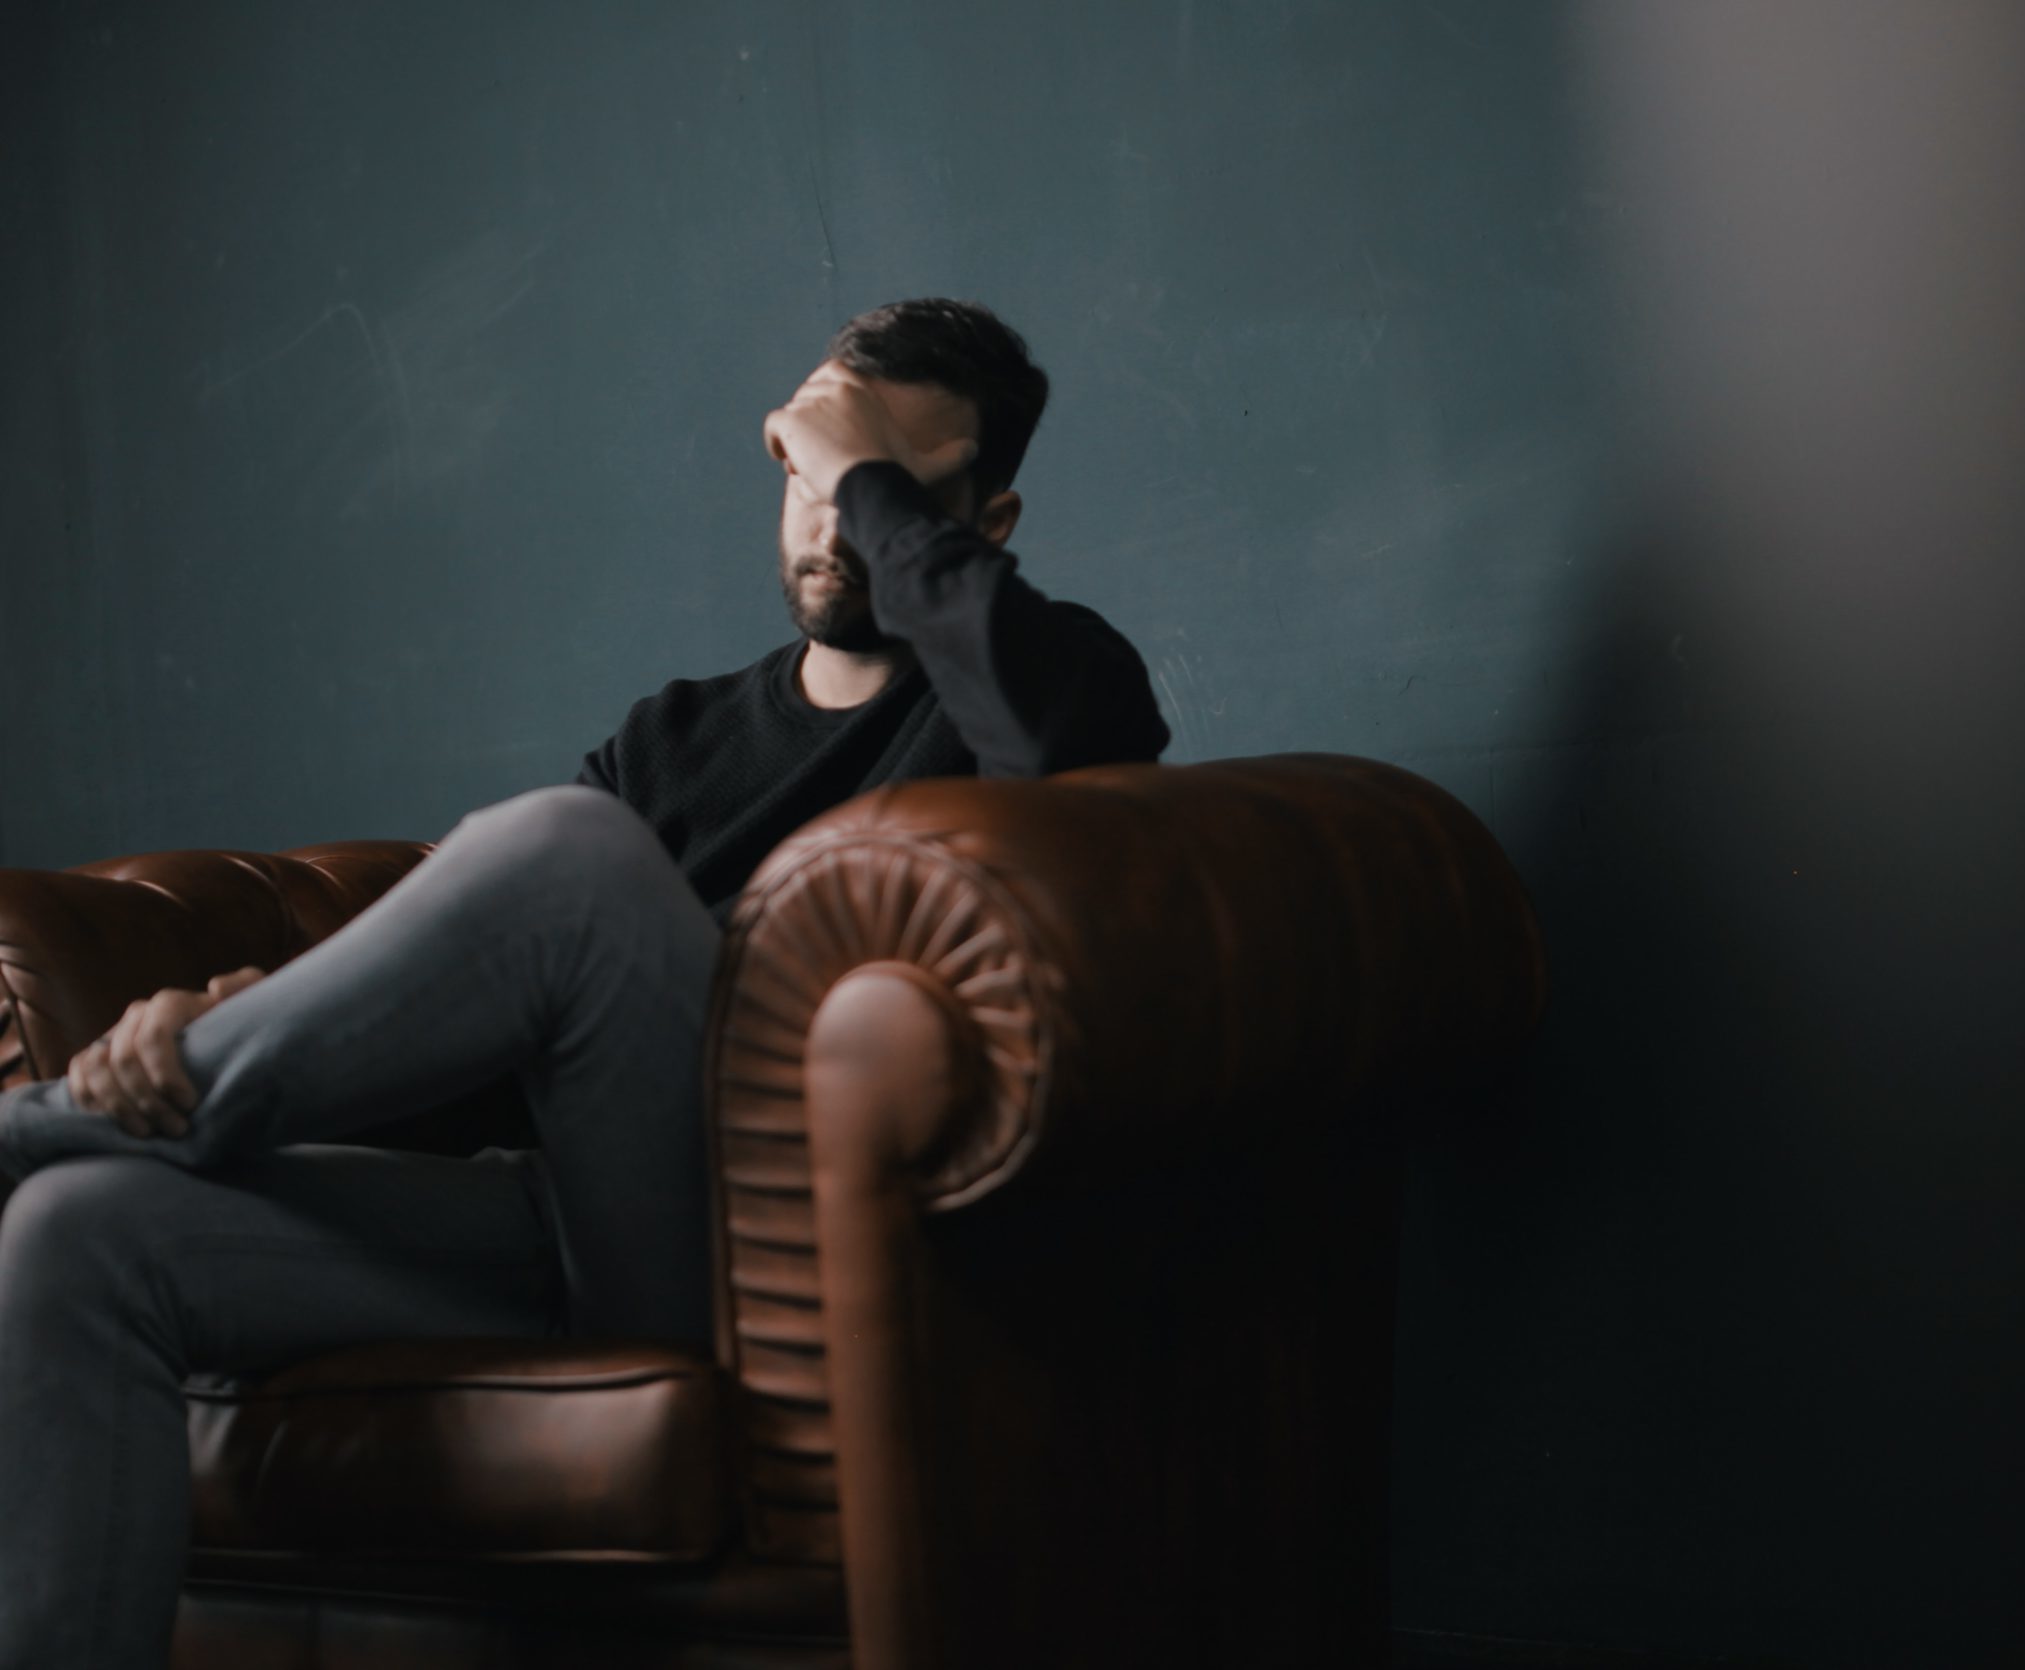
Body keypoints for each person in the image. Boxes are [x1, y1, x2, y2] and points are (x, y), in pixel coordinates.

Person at [0, 297, 1168, 1666]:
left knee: (567, 854)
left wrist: (858, 473)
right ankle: (103, 1131)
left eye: (885, 482)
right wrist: (257, 1015)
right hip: (568, 1224)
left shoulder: (1047, 678)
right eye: (808, 465)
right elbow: (501, 1042)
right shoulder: (671, 738)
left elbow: (1071, 761)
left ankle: (44, 1123)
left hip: (766, 1262)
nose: (833, 516)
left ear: (986, 521)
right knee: (77, 1234)